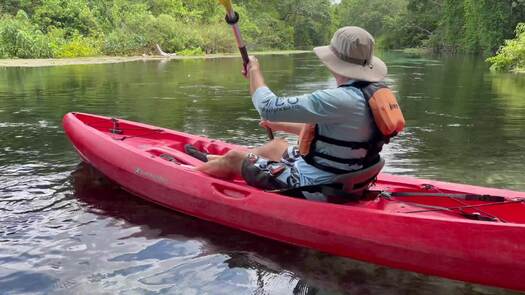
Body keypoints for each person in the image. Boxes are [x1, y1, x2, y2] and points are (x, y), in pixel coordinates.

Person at [189, 26, 401, 201]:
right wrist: (279, 125)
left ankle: (187, 176)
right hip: (346, 176)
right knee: (277, 145)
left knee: (236, 158)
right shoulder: (372, 93)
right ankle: (213, 159)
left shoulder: (337, 99)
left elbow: (268, 105)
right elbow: (336, 135)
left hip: (318, 185)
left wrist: (254, 71)